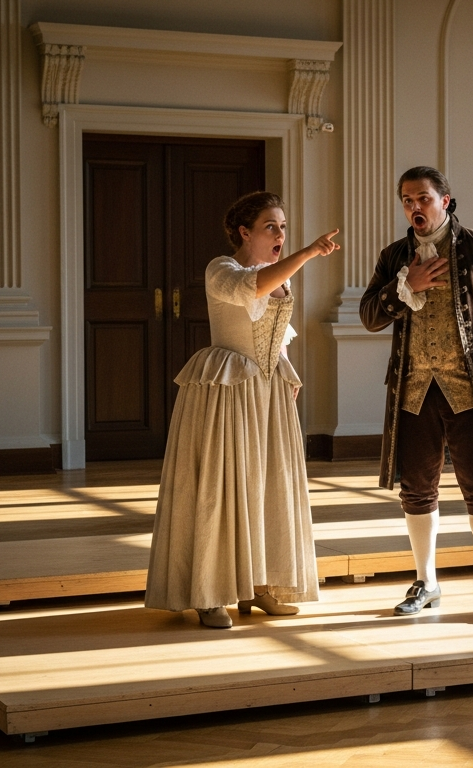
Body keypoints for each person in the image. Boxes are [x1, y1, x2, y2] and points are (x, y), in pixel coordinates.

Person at [146, 192, 341, 629]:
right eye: (271, 226)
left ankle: (260, 585)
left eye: (284, 226)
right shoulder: (222, 269)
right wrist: (308, 251)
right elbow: (252, 291)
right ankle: (208, 592)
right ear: (244, 232)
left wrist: (287, 373)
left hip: (267, 392)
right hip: (228, 389)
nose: (280, 234)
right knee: (221, 488)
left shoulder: (278, 275)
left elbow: (274, 335)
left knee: (269, 486)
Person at [360, 166, 473, 624]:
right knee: (416, 490)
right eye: (407, 200)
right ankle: (426, 581)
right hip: (414, 389)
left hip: (472, 387)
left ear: (446, 200)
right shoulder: (394, 255)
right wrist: (404, 288)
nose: (415, 207)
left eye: (423, 198)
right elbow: (370, 315)